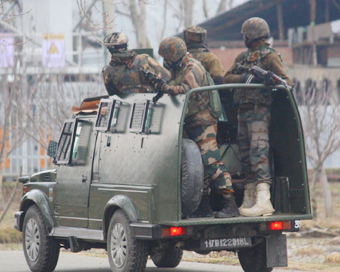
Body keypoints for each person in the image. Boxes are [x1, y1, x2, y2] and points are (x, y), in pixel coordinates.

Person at [154, 36, 239, 218]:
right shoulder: (179, 67)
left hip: (203, 122)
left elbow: (186, 90)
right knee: (199, 167)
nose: (165, 61)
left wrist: (165, 88)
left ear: (173, 55)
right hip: (192, 120)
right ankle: (204, 206)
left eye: (166, 57)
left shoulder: (192, 67)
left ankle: (230, 205)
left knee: (211, 161)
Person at [224, 17, 292, 217]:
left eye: (245, 35)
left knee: (258, 152)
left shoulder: (271, 57)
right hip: (243, 111)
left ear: (252, 36)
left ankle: (264, 200)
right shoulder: (242, 57)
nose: (243, 38)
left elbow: (286, 83)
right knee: (245, 155)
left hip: (259, 111)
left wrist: (268, 80)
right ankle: (250, 196)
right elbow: (227, 77)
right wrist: (244, 78)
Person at [102, 32, 170, 96]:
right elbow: (168, 77)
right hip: (150, 105)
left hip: (126, 107)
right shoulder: (144, 59)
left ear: (110, 50)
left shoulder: (107, 71)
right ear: (126, 45)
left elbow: (112, 95)